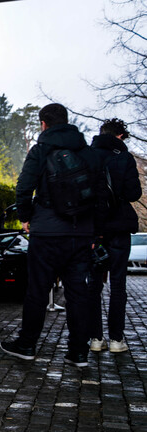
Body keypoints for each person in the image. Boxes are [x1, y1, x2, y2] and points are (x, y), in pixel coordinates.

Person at [0, 103, 104, 368]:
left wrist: (25, 217)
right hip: (80, 233)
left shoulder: (40, 150)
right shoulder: (89, 153)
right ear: (67, 121)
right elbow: (101, 194)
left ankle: (27, 345)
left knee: (37, 291)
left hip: (46, 232)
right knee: (78, 293)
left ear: (43, 124)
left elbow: (24, 186)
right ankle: (79, 352)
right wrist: (94, 231)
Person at [88, 118, 141, 353]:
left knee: (93, 285)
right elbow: (133, 193)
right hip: (119, 228)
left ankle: (95, 339)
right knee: (118, 285)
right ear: (120, 136)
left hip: (94, 230)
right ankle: (117, 340)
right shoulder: (124, 157)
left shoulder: (87, 155)